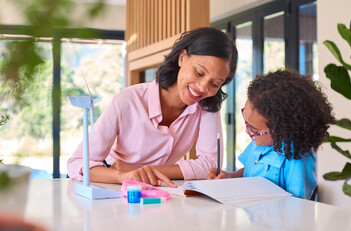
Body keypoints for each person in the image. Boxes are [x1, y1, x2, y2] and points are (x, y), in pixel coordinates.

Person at [67, 27, 238, 187]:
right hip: (111, 183)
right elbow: (76, 163)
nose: (203, 88)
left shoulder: (207, 105)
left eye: (215, 83)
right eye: (199, 73)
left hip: (158, 190)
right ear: (182, 58)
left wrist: (144, 170)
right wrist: (122, 175)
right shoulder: (128, 100)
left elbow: (210, 166)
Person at [207, 70, 335, 199]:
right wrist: (231, 176)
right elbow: (249, 173)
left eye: (255, 130)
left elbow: (298, 203)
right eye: (247, 124)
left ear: (281, 130)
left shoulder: (297, 158)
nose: (248, 132)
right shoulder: (259, 142)